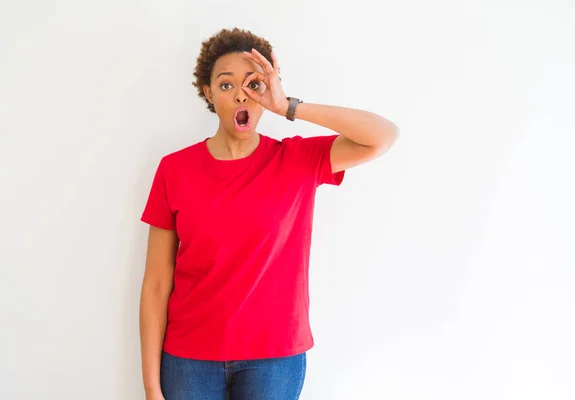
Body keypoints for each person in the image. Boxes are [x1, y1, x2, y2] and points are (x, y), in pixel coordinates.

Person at [139, 27, 399, 400]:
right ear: (208, 93)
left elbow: (383, 136)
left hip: (275, 359)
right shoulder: (174, 169)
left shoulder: (297, 160)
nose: (241, 94)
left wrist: (288, 107)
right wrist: (151, 388)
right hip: (189, 361)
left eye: (254, 84)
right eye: (226, 85)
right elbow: (156, 285)